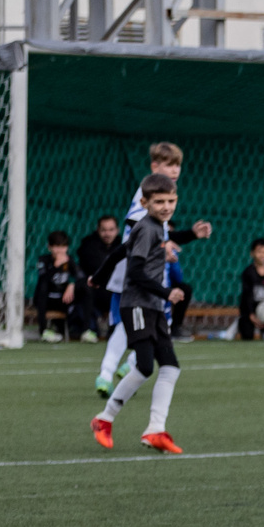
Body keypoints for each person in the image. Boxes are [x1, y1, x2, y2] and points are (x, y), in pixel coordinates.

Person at [94, 142, 212, 396]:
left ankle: (128, 368)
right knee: (132, 325)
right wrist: (162, 244)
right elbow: (137, 225)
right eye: (169, 164)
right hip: (135, 271)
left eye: (177, 165)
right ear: (154, 167)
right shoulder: (146, 195)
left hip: (152, 270)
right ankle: (107, 374)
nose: (175, 170)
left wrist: (190, 234)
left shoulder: (163, 195)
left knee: (153, 325)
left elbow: (163, 232)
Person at [91, 175, 190, 454]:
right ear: (145, 203)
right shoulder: (148, 229)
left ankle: (155, 430)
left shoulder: (158, 228)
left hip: (153, 307)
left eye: (171, 201)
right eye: (159, 202)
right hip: (137, 305)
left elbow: (118, 253)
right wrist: (166, 292)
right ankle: (104, 418)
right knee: (146, 366)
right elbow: (134, 272)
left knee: (170, 367)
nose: (166, 206)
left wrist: (97, 277)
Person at [73, 216, 122, 340]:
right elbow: (90, 270)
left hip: (114, 289)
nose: (107, 234)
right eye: (104, 230)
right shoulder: (88, 245)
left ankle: (117, 330)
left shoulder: (123, 245)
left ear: (117, 230)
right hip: (95, 289)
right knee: (85, 288)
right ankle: (87, 329)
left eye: (111, 230)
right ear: (98, 230)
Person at [33, 231, 82, 342]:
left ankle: (85, 330)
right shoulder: (43, 260)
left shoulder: (70, 260)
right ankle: (44, 330)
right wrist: (56, 266)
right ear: (49, 247)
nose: (60, 250)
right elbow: (43, 280)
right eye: (56, 246)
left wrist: (72, 284)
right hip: (46, 300)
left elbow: (80, 277)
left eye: (63, 246)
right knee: (43, 288)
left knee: (84, 288)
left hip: (62, 299)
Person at [237, 238, 264, 341]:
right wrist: (251, 316)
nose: (262, 255)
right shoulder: (248, 273)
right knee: (247, 336)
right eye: (259, 252)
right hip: (250, 314)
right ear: (252, 253)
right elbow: (246, 296)